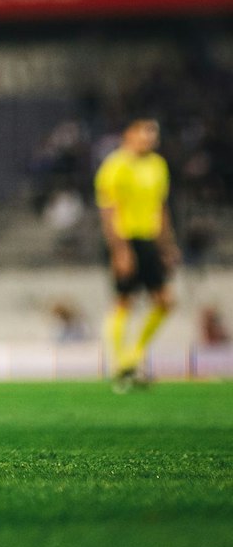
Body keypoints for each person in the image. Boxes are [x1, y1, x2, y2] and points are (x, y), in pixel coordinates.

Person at [95, 118, 177, 390]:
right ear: (129, 135)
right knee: (123, 301)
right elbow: (109, 211)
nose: (150, 140)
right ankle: (120, 364)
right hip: (125, 238)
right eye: (144, 134)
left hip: (149, 239)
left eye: (153, 136)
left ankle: (133, 356)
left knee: (165, 302)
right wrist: (119, 250)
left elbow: (161, 207)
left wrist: (167, 245)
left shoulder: (158, 165)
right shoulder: (114, 166)